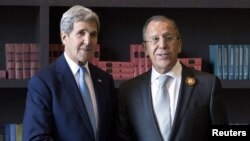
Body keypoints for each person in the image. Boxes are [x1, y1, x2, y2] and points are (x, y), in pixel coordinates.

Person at [116, 15, 228, 141]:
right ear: (145, 49)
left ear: (179, 45)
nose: (162, 45)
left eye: (168, 38)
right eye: (155, 39)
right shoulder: (128, 91)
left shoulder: (208, 85)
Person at [23, 5, 116, 141]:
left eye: (93, 34)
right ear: (64, 37)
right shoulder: (43, 82)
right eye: (81, 33)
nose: (88, 41)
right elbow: (36, 138)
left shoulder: (105, 80)